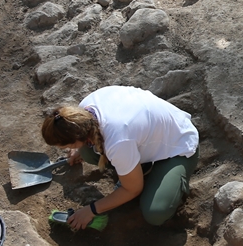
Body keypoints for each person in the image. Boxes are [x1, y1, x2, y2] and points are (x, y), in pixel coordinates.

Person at [40, 86, 199, 229]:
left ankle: (160, 180)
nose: (68, 149)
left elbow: (133, 189)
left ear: (77, 137)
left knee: (155, 212)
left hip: (177, 146)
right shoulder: (85, 110)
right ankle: (140, 168)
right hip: (150, 136)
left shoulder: (118, 140)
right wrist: (78, 149)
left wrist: (92, 210)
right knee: (87, 152)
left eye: (68, 146)